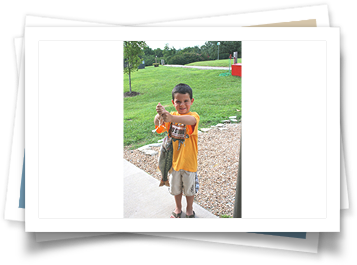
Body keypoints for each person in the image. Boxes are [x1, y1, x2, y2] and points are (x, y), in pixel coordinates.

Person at [154, 83, 200, 218]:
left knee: (189, 190)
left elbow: (190, 121)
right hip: (173, 164)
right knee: (176, 189)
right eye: (178, 102)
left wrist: (172, 118)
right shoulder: (170, 116)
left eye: (186, 101)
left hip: (189, 164)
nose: (182, 105)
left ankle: (190, 209)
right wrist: (160, 114)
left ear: (191, 101)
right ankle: (178, 208)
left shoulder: (193, 116)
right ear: (173, 102)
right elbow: (158, 123)